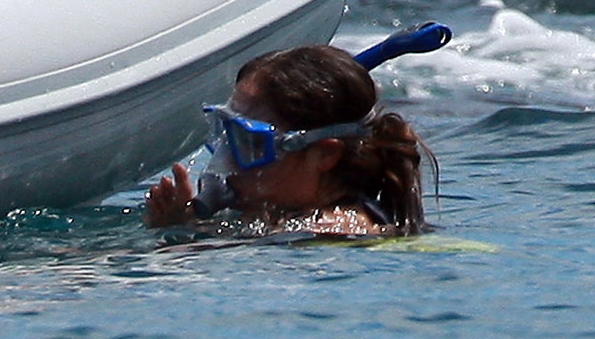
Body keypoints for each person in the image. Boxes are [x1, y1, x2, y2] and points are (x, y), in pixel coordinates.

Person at [144, 44, 433, 237]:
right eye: (224, 134)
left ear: (324, 155)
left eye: (249, 143)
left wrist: (181, 237)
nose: (227, 161)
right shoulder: (277, 215)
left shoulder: (330, 230)